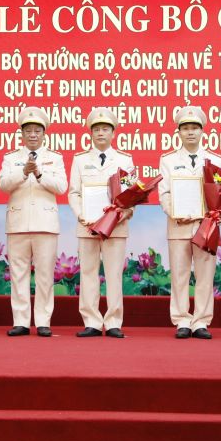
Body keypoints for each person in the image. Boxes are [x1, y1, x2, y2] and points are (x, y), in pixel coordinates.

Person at [0, 106, 67, 337]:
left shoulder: (55, 158)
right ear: (22, 134)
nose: (33, 135)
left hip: (45, 223)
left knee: (45, 274)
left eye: (37, 130)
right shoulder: (11, 158)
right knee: (18, 274)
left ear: (44, 134)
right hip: (18, 223)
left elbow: (61, 187)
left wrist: (38, 174)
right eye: (28, 131)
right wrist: (23, 173)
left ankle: (44, 320)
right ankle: (21, 321)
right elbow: (3, 185)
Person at [158, 105, 221, 340]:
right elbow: (164, 193)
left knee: (206, 274)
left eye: (195, 128)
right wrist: (173, 212)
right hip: (179, 225)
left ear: (202, 131)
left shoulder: (215, 159)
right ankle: (182, 320)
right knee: (179, 274)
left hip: (207, 226)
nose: (190, 132)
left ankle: (201, 321)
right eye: (185, 128)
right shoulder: (167, 160)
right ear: (179, 132)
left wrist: (218, 213)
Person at [68, 107, 135, 338]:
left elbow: (131, 195)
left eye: (105, 129)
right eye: (96, 129)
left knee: (114, 274)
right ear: (90, 133)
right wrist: (80, 214)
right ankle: (92, 321)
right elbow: (74, 193)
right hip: (87, 225)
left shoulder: (125, 160)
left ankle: (114, 321)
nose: (100, 133)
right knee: (88, 272)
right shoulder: (79, 159)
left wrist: (123, 213)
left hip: (115, 227)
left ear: (113, 133)